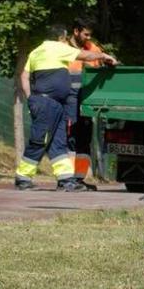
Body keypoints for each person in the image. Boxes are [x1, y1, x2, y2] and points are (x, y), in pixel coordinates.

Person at [14, 24, 117, 191]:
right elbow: (86, 55)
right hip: (48, 103)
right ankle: (23, 177)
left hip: (52, 103)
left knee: (58, 143)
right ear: (61, 37)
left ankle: (65, 180)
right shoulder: (58, 48)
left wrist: (30, 98)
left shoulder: (35, 51)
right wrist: (104, 56)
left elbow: (24, 75)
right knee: (40, 140)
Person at [66, 17, 104, 190]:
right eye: (86, 34)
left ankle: (79, 179)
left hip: (86, 103)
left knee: (84, 141)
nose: (88, 38)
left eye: (90, 35)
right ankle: (67, 179)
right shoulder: (63, 49)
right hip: (68, 101)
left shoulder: (94, 49)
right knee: (70, 140)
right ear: (76, 31)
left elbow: (100, 70)